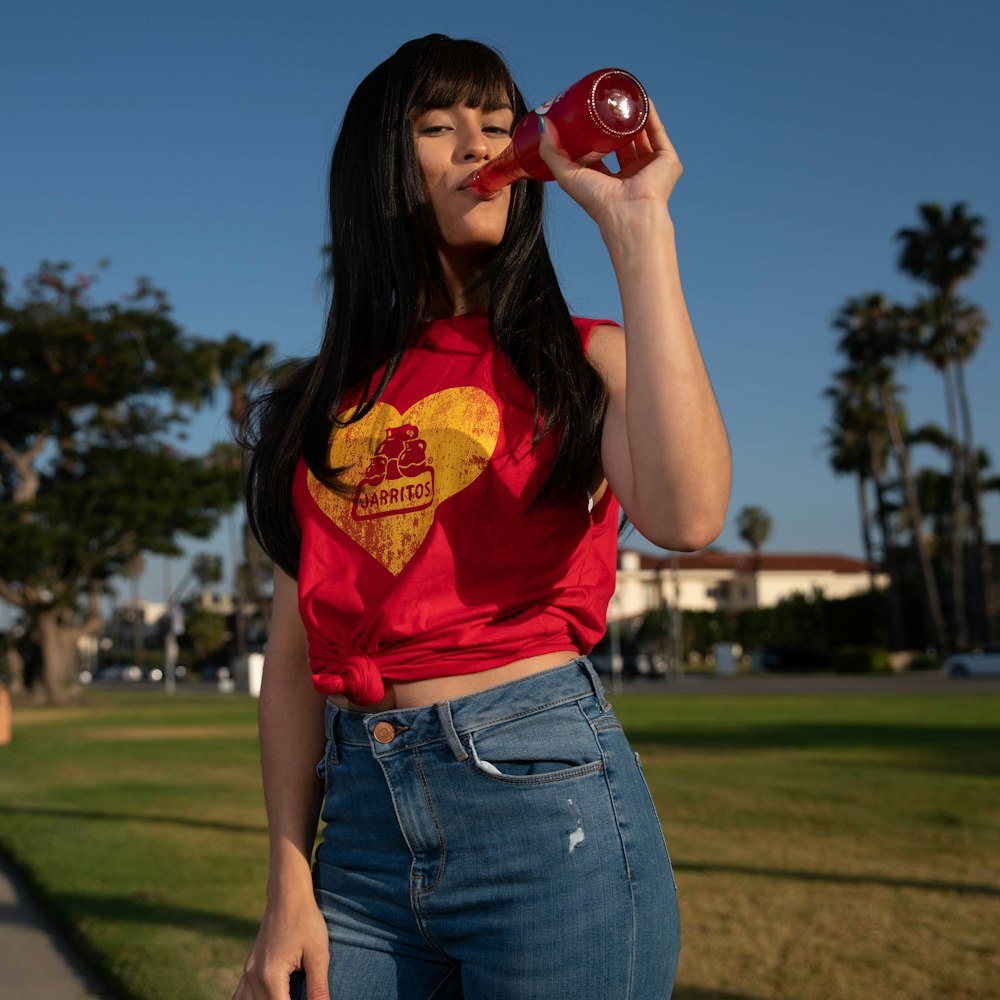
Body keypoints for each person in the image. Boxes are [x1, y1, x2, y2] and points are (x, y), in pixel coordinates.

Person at [234, 33, 730, 1000]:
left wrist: (639, 228)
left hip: (548, 807)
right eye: (439, 123)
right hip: (363, 836)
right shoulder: (316, 409)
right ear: (381, 164)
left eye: (500, 124)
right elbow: (294, 658)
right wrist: (287, 881)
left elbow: (690, 514)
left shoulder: (584, 361)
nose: (479, 143)